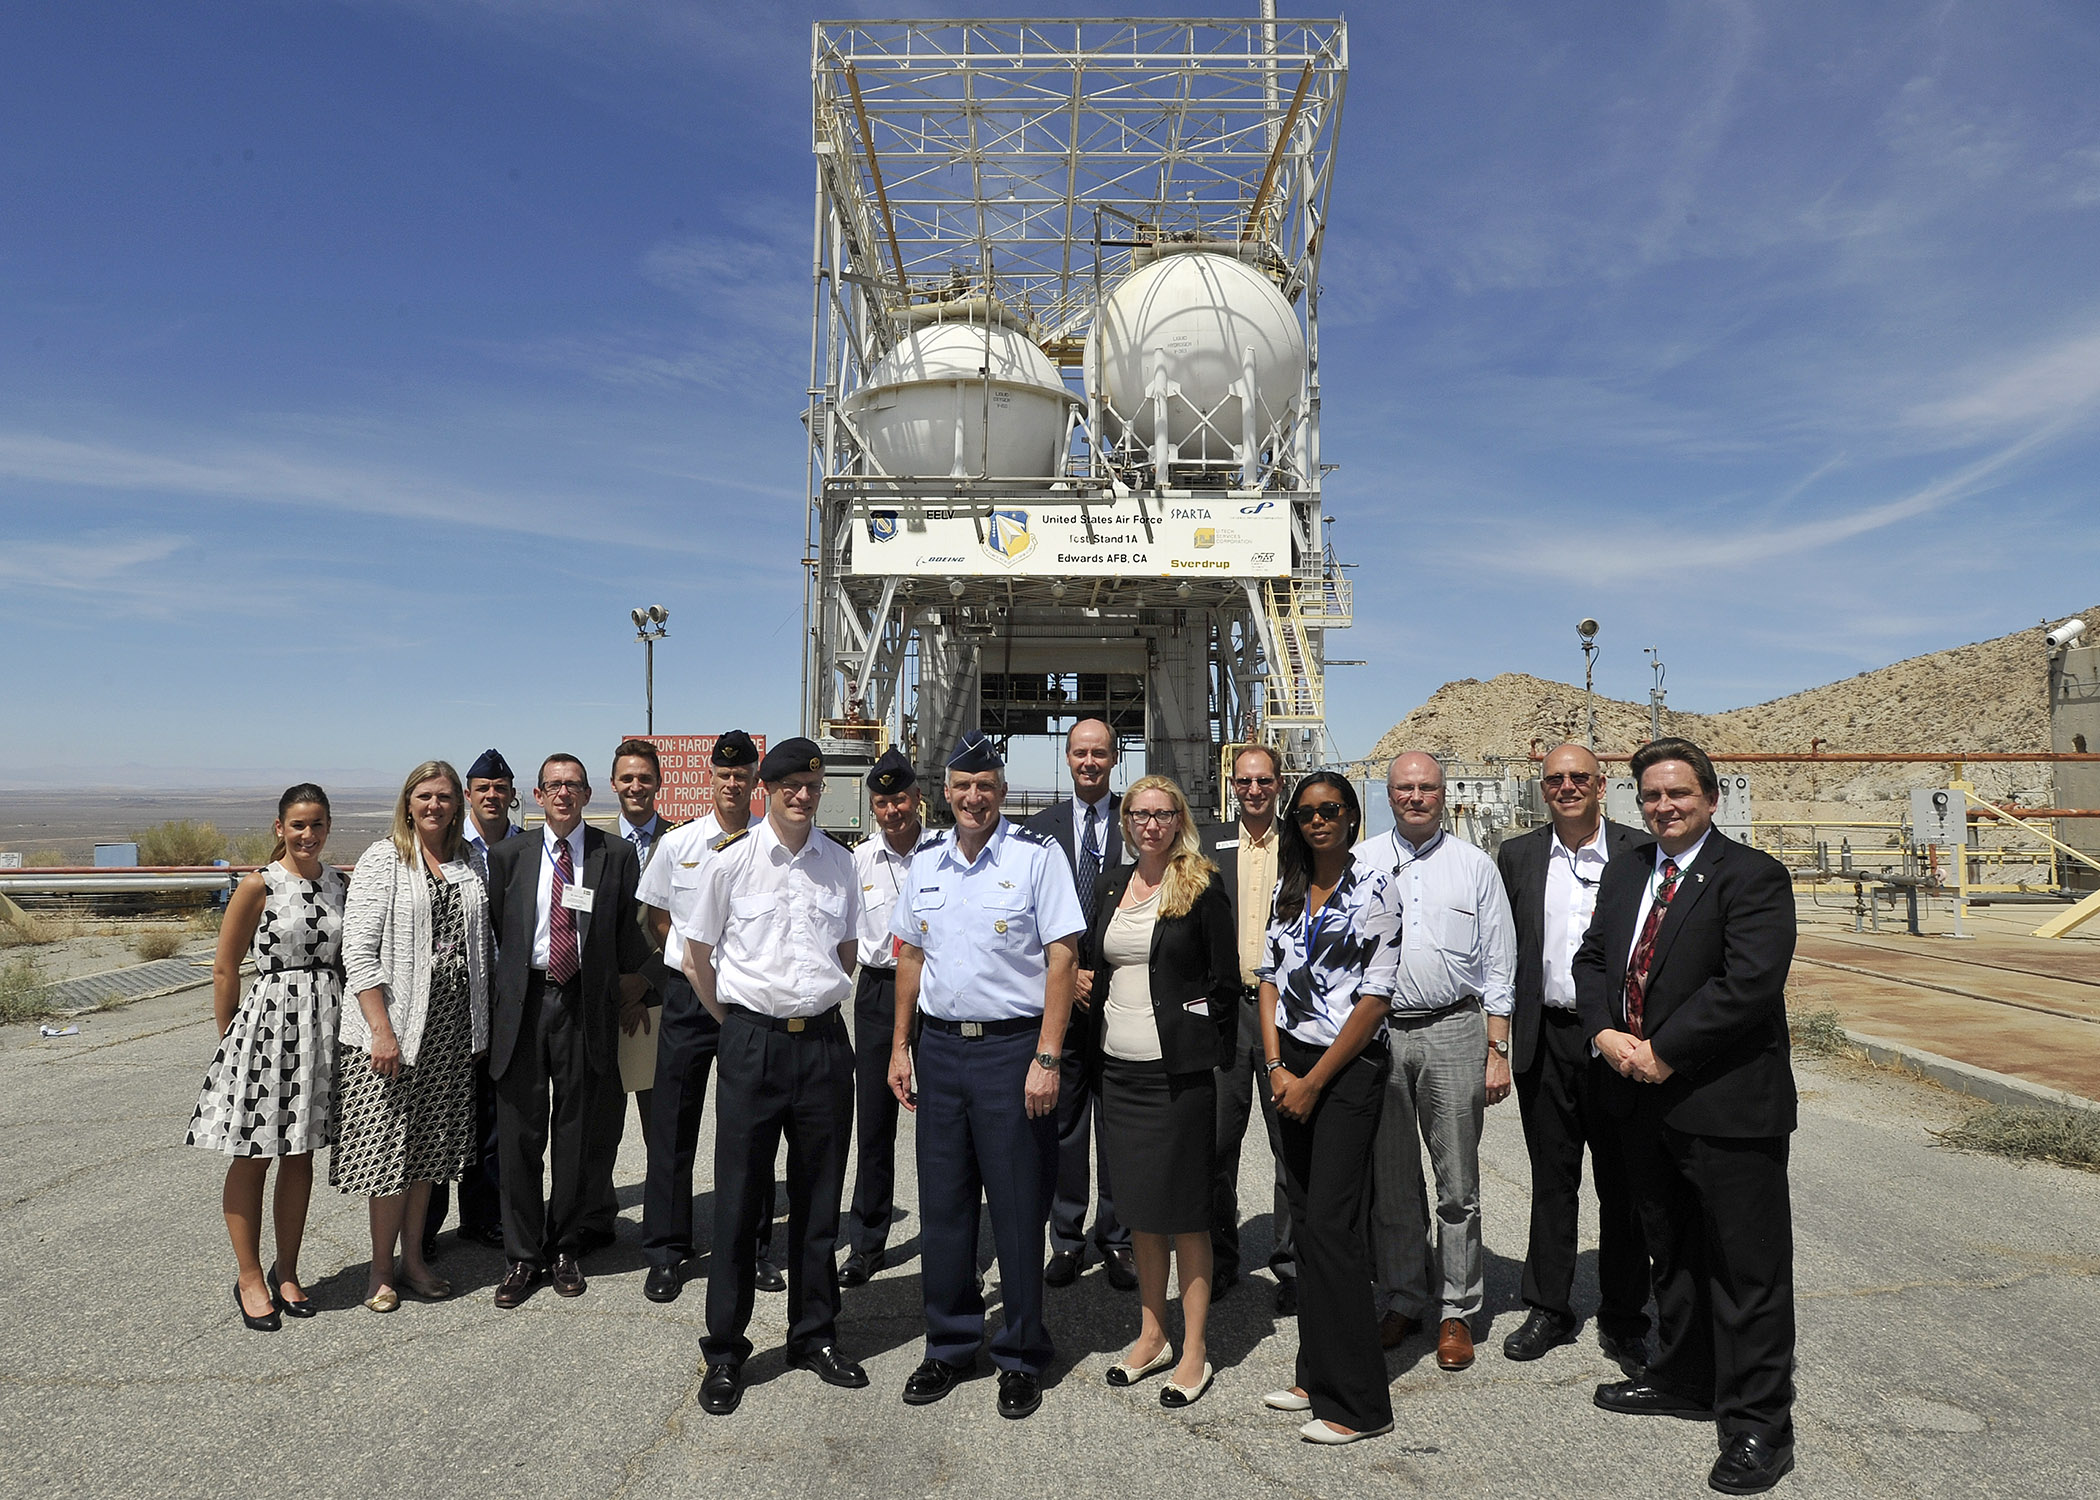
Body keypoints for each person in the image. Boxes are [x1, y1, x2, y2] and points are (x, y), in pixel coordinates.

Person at [1577, 738, 1800, 1496]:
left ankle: (1758, 1424)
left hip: (1727, 1102)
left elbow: (1748, 985)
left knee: (1747, 1269)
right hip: (1643, 1100)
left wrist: (1662, 1051)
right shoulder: (1629, 868)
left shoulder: (1753, 876)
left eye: (1678, 794)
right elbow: (1594, 959)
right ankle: (1683, 1376)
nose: (1664, 806)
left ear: (1710, 797)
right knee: (1670, 1251)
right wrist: (1605, 1032)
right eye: (1650, 796)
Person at [887, 731, 1084, 1420]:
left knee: (1017, 1205)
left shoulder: (1037, 859)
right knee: (943, 1206)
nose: (974, 798)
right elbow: (910, 956)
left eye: (986, 787)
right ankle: (949, 1344)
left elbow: (1063, 959)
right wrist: (899, 1046)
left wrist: (1047, 1056)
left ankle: (1023, 1352)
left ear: (1001, 792)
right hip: (939, 1051)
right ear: (946, 792)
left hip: (1011, 1052)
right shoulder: (927, 863)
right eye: (962, 787)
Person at [684, 738, 867, 1415]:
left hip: (822, 1044)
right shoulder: (730, 864)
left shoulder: (841, 866)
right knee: (737, 1201)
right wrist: (737, 1024)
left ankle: (812, 1336)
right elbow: (696, 958)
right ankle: (726, 1352)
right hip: (752, 1044)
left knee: (820, 1204)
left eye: (811, 784)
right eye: (788, 783)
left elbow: (846, 952)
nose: (801, 794)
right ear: (767, 789)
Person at [1353, 752, 1517, 1371]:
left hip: (1455, 1030)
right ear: (1389, 796)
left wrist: (1497, 1050)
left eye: (1427, 788)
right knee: (1392, 1184)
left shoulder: (1474, 866)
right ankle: (1403, 1297)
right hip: (1382, 1036)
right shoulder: (1363, 861)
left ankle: (1457, 1310)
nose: (1416, 797)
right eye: (1405, 789)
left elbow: (1500, 963)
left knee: (1458, 1186)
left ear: (1443, 794)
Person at [1256, 772, 1402, 1444]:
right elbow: (1265, 982)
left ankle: (1358, 1404)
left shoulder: (1375, 887)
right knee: (1309, 1219)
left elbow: (1374, 999)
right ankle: (1313, 1373)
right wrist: (1279, 1067)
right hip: (1289, 1066)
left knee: (1335, 1233)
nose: (1318, 821)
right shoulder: (1288, 889)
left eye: (1331, 811)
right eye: (1308, 812)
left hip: (1345, 1073)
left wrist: (1313, 1080)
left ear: (1349, 818)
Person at [1495, 742, 1652, 1363]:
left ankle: (1624, 1315)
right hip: (1548, 1036)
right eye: (1555, 779)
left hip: (1618, 1038)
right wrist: (1499, 1041)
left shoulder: (1639, 851)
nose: (1567, 787)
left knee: (1622, 1183)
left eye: (1578, 777)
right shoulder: (1519, 856)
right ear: (1542, 787)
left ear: (1601, 783)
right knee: (1552, 1181)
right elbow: (1501, 952)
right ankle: (1550, 1308)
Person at [1086, 775, 1239, 1409]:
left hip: (1177, 1078)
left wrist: (1193, 1032)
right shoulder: (1109, 885)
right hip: (1117, 1073)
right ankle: (1152, 1333)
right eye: (1140, 814)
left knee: (1186, 1215)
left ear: (1179, 820)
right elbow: (1096, 961)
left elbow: (1223, 980)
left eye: (1162, 814)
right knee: (1141, 1212)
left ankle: (1195, 1348)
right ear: (1126, 821)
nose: (1151, 824)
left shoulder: (1201, 884)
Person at [484, 753, 647, 1308]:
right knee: (520, 1133)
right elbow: (496, 935)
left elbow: (632, 931)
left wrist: (645, 987)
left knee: (576, 1131)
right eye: (553, 785)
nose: (562, 794)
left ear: (587, 795)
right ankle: (523, 1257)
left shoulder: (615, 856)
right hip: (525, 1003)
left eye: (572, 786)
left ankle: (566, 1247)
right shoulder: (509, 856)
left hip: (583, 1005)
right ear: (535, 794)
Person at [187, 784, 346, 1331]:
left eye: (317, 824)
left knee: (300, 1154)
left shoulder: (337, 885)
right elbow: (225, 967)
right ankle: (249, 1275)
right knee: (254, 1153)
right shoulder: (259, 884)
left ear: (329, 828)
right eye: (298, 824)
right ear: (279, 827)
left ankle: (288, 1271)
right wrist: (230, 1038)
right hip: (268, 1028)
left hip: (322, 1029)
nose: (308, 834)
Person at [336, 761, 491, 1312]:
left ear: (457, 805)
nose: (435, 805)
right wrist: (380, 1030)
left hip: (450, 1030)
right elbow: (358, 952)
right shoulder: (385, 859)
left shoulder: (468, 861)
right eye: (424, 796)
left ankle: (415, 1262)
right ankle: (380, 1270)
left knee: (430, 1155)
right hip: (394, 1032)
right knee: (389, 1157)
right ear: (407, 802)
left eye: (445, 797)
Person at [635, 730, 780, 1301]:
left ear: (754, 781)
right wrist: (699, 965)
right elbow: (656, 916)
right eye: (723, 776)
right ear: (710, 777)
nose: (732, 784)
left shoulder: (771, 845)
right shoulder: (679, 843)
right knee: (672, 1126)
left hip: (747, 1000)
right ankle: (668, 1252)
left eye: (742, 776)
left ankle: (754, 1249)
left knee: (750, 1131)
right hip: (689, 998)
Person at [1025, 718, 1135, 1290]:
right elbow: (1029, 919)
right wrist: (1067, 978)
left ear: (1115, 758)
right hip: (1063, 1003)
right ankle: (1066, 1238)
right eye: (1080, 753)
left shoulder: (1137, 822)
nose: (1090, 762)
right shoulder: (1038, 830)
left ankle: (1116, 1239)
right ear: (1066, 759)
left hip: (1122, 1003)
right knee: (1065, 1126)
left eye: (1100, 753)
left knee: (1115, 1126)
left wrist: (1107, 975)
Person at [1200, 743, 1297, 1313]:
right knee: (1216, 1142)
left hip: (1288, 1012)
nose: (1254, 790)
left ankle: (1290, 1266)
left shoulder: (1304, 841)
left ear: (1279, 784)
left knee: (1290, 1144)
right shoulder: (1209, 844)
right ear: (1231, 785)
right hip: (1228, 1014)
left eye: (1264, 781)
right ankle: (1218, 1260)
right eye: (1244, 781)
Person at [575, 737, 673, 1253]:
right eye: (627, 778)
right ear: (613, 785)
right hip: (603, 1003)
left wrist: (647, 980)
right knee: (599, 1121)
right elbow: (579, 925)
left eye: (645, 778)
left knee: (664, 1127)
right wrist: (614, 986)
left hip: (662, 1002)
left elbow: (694, 925)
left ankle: (664, 1225)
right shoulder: (589, 847)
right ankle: (595, 1216)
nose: (636, 786)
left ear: (659, 783)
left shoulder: (683, 844)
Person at [422, 746, 521, 1257]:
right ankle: (426, 1226)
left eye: (500, 788)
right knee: (444, 1115)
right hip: (454, 1003)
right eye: (482, 788)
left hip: (512, 1002)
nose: (492, 796)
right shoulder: (452, 851)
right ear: (469, 796)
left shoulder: (531, 848)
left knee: (495, 1118)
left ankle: (483, 1217)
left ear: (511, 794)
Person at [840, 747, 922, 1288]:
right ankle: (868, 1242)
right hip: (876, 992)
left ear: (918, 798)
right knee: (874, 1124)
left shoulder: (945, 851)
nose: (891, 810)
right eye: (882, 801)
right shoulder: (857, 860)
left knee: (945, 1122)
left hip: (937, 991)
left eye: (899, 799)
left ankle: (947, 1235)